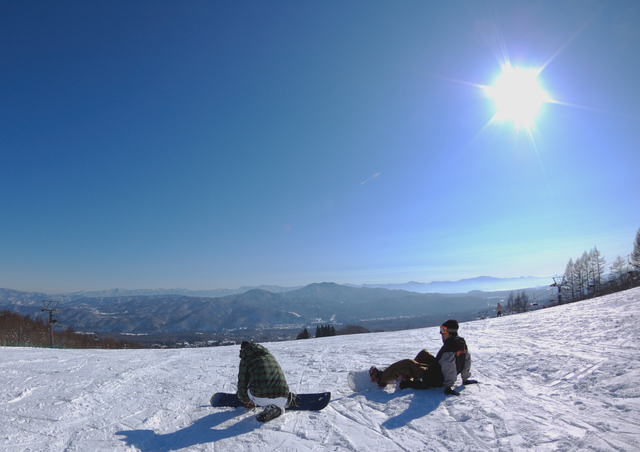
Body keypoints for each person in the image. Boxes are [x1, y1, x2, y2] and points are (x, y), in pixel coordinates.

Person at [370, 319, 476, 396]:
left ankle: (380, 378)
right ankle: (410, 374)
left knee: (407, 363)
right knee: (423, 354)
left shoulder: (449, 348)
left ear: (451, 332)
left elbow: (449, 367)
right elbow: (466, 361)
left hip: (433, 377)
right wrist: (465, 379)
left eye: (443, 331)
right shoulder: (460, 343)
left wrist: (448, 386)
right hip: (438, 370)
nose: (441, 334)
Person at [237, 341, 295, 422]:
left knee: (248, 381)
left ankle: (269, 407)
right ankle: (284, 403)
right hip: (283, 397)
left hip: (261, 398)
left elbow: (242, 383)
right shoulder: (269, 355)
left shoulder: (246, 359)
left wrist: (245, 400)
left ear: (243, 350)